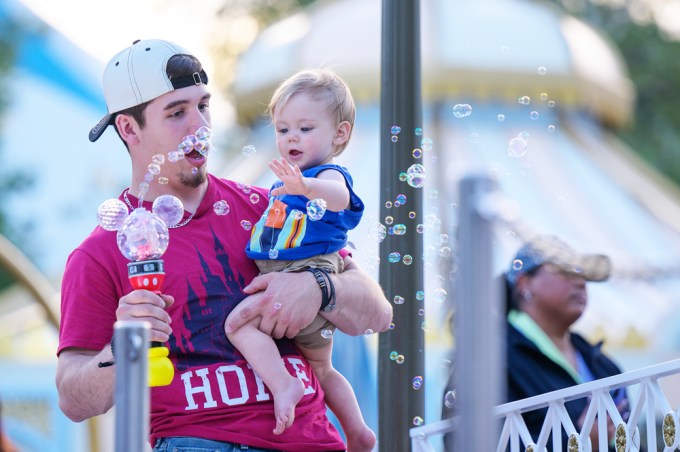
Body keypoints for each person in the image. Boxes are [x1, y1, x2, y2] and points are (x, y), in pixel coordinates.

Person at [56, 39, 392, 452]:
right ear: (129, 128)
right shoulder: (102, 251)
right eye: (177, 113)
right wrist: (123, 346)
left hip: (312, 441)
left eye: (204, 105)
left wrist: (319, 288)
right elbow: (73, 400)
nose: (199, 125)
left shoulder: (271, 206)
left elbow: (376, 313)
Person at [225, 68, 374, 450]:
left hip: (310, 276)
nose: (292, 137)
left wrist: (306, 187)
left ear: (339, 134)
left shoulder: (328, 174)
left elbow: (338, 198)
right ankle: (356, 429)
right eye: (283, 129)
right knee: (323, 368)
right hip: (294, 282)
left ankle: (283, 384)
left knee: (238, 327)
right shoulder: (283, 184)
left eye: (306, 129)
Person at [443, 235, 630, 451]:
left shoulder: (605, 365)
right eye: (565, 271)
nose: (580, 282)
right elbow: (468, 442)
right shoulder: (488, 355)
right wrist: (577, 443)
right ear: (524, 283)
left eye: (582, 273)